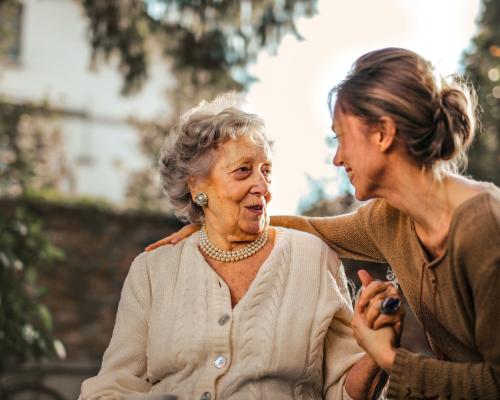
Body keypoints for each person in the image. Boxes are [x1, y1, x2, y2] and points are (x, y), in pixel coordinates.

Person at [148, 48, 500, 399]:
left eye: (341, 136)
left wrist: (388, 357)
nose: (338, 157)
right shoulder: (389, 220)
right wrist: (216, 223)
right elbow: (313, 228)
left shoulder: (484, 227)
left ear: (382, 134)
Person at [80, 95, 401, 399]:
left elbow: (343, 391)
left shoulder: (313, 258)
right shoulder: (153, 270)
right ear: (197, 186)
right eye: (243, 171)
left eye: (267, 171)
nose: (261, 186)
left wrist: (377, 353)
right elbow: (115, 386)